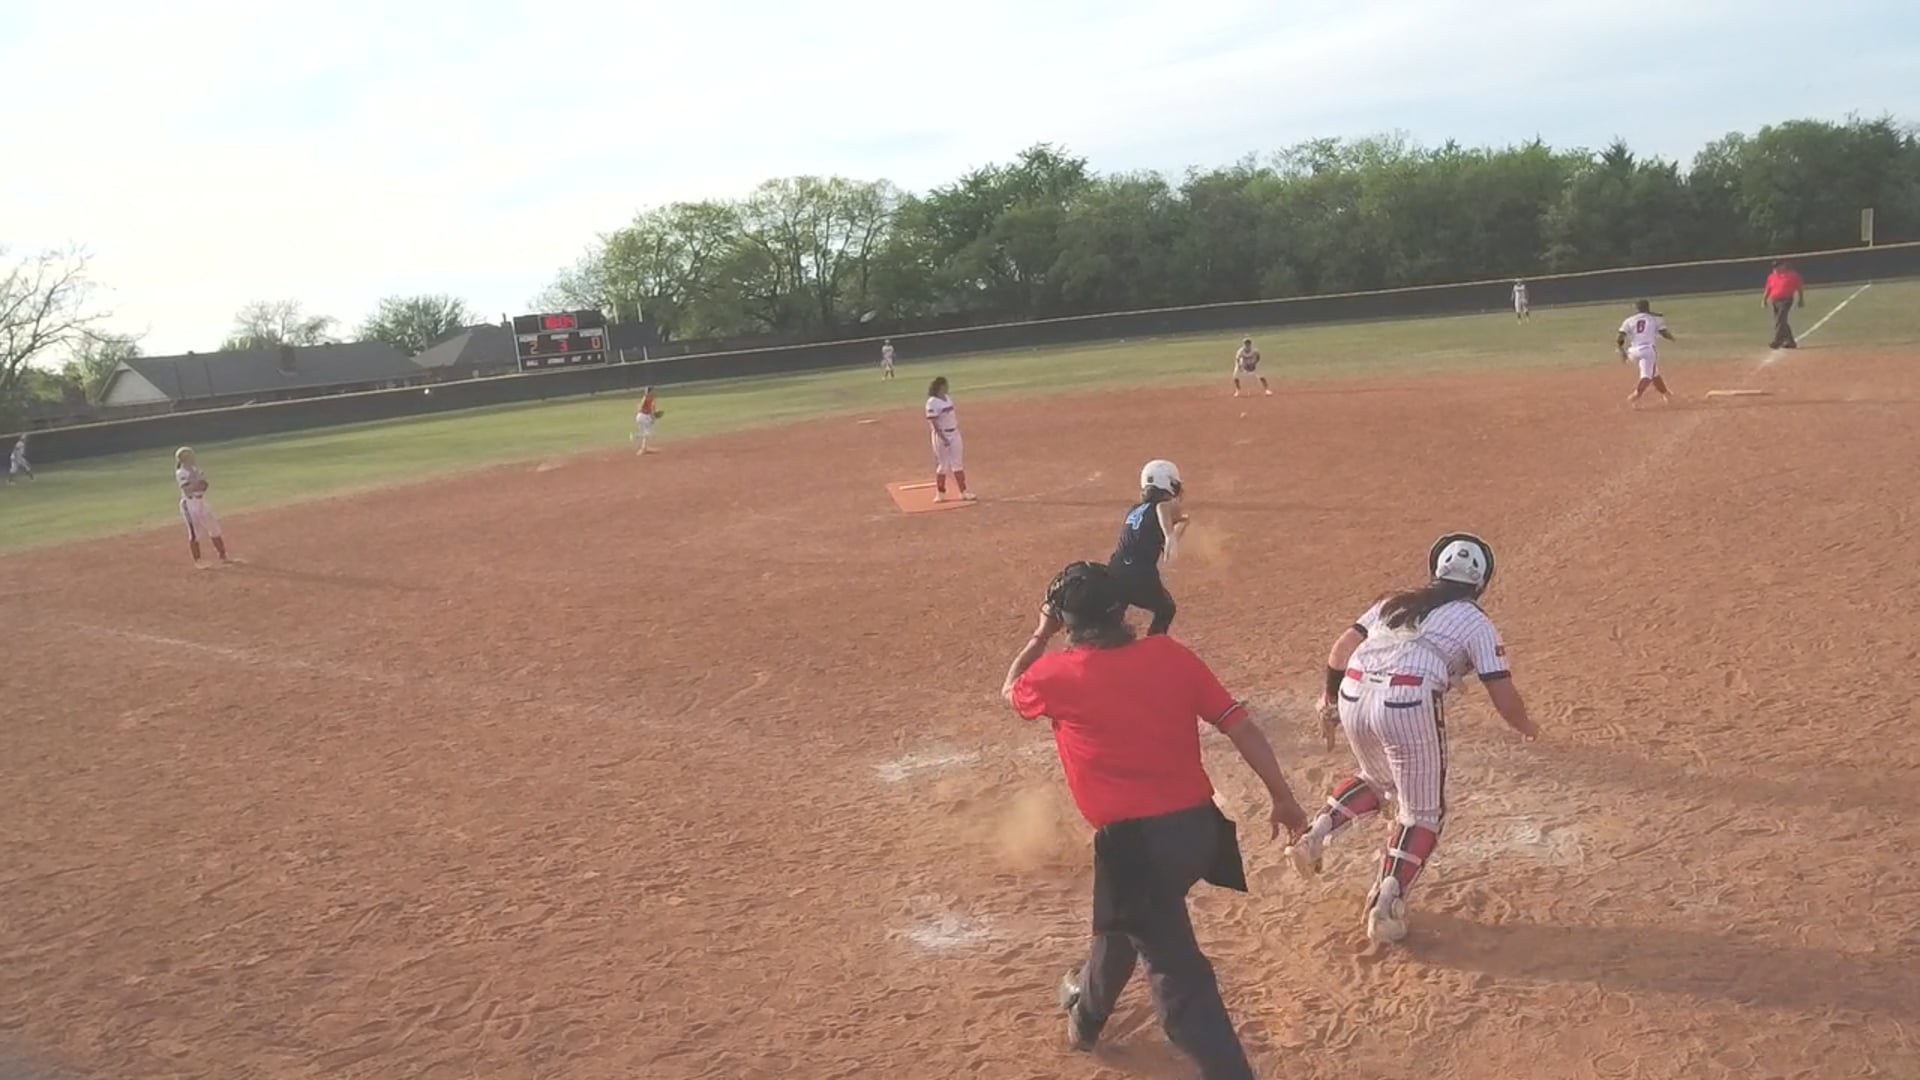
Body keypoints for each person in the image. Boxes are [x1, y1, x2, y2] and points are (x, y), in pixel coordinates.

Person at [1002, 561, 1308, 1079]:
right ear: (1122, 611)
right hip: (1199, 832)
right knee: (1128, 921)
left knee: (1178, 978)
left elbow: (1010, 689)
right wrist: (1282, 796)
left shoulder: (1056, 675)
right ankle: (1087, 1014)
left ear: (1066, 622)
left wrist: (1039, 633)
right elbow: (1239, 725)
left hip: (1135, 849)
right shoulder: (1169, 655)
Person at [1290, 534, 1539, 945]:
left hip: (1354, 690)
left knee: (1375, 778)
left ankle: (1315, 833)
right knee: (1422, 815)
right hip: (1406, 700)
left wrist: (1329, 701)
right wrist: (1526, 725)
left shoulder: (1393, 603)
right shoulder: (1476, 621)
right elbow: (1501, 690)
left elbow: (1341, 650)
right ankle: (1387, 902)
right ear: (1480, 582)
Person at [1109, 459, 1187, 635]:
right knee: (1166, 609)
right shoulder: (1163, 506)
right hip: (1140, 573)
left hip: (1115, 568)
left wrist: (1179, 528)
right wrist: (1169, 535)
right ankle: (1154, 647)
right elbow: (1162, 508)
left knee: (1113, 617)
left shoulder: (1135, 509)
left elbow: (1161, 529)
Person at [174, 447, 233, 569]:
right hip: (189, 504)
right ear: (184, 458)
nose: (193, 458)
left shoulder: (196, 469)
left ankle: (223, 555)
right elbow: (187, 489)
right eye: (190, 456)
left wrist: (196, 483)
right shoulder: (181, 472)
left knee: (214, 528)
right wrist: (196, 482)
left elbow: (204, 485)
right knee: (195, 533)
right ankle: (198, 561)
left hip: (202, 501)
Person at [1617, 299, 1677, 407]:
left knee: (1654, 373)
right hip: (1647, 351)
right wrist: (1673, 339)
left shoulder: (1629, 320)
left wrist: (1622, 351)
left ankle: (1666, 394)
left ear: (1636, 308)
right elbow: (1664, 333)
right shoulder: (1655, 319)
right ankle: (1636, 395)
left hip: (1633, 352)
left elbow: (1620, 337)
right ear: (1648, 307)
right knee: (1647, 376)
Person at [924, 376, 974, 502]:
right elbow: (934, 422)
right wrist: (943, 437)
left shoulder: (947, 398)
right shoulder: (932, 402)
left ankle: (963, 492)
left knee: (957, 463)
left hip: (954, 432)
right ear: (941, 386)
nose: (948, 387)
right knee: (943, 464)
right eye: (946, 385)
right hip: (941, 435)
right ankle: (940, 493)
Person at [1764, 260, 1805, 349]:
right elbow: (1768, 288)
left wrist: (1801, 299)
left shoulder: (1792, 275)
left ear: (1783, 266)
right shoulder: (1772, 277)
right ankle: (1790, 342)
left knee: (1780, 319)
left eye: (1778, 266)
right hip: (1774, 300)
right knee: (1781, 321)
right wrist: (1764, 299)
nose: (1776, 268)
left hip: (1786, 300)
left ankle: (1777, 341)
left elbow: (1799, 288)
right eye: (1774, 267)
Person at [632, 386, 663, 455]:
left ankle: (644, 447)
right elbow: (651, 409)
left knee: (646, 432)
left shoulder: (644, 397)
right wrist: (653, 417)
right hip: (644, 417)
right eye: (652, 391)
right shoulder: (650, 398)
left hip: (640, 416)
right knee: (648, 432)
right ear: (650, 392)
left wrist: (652, 415)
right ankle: (636, 438)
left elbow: (641, 407)